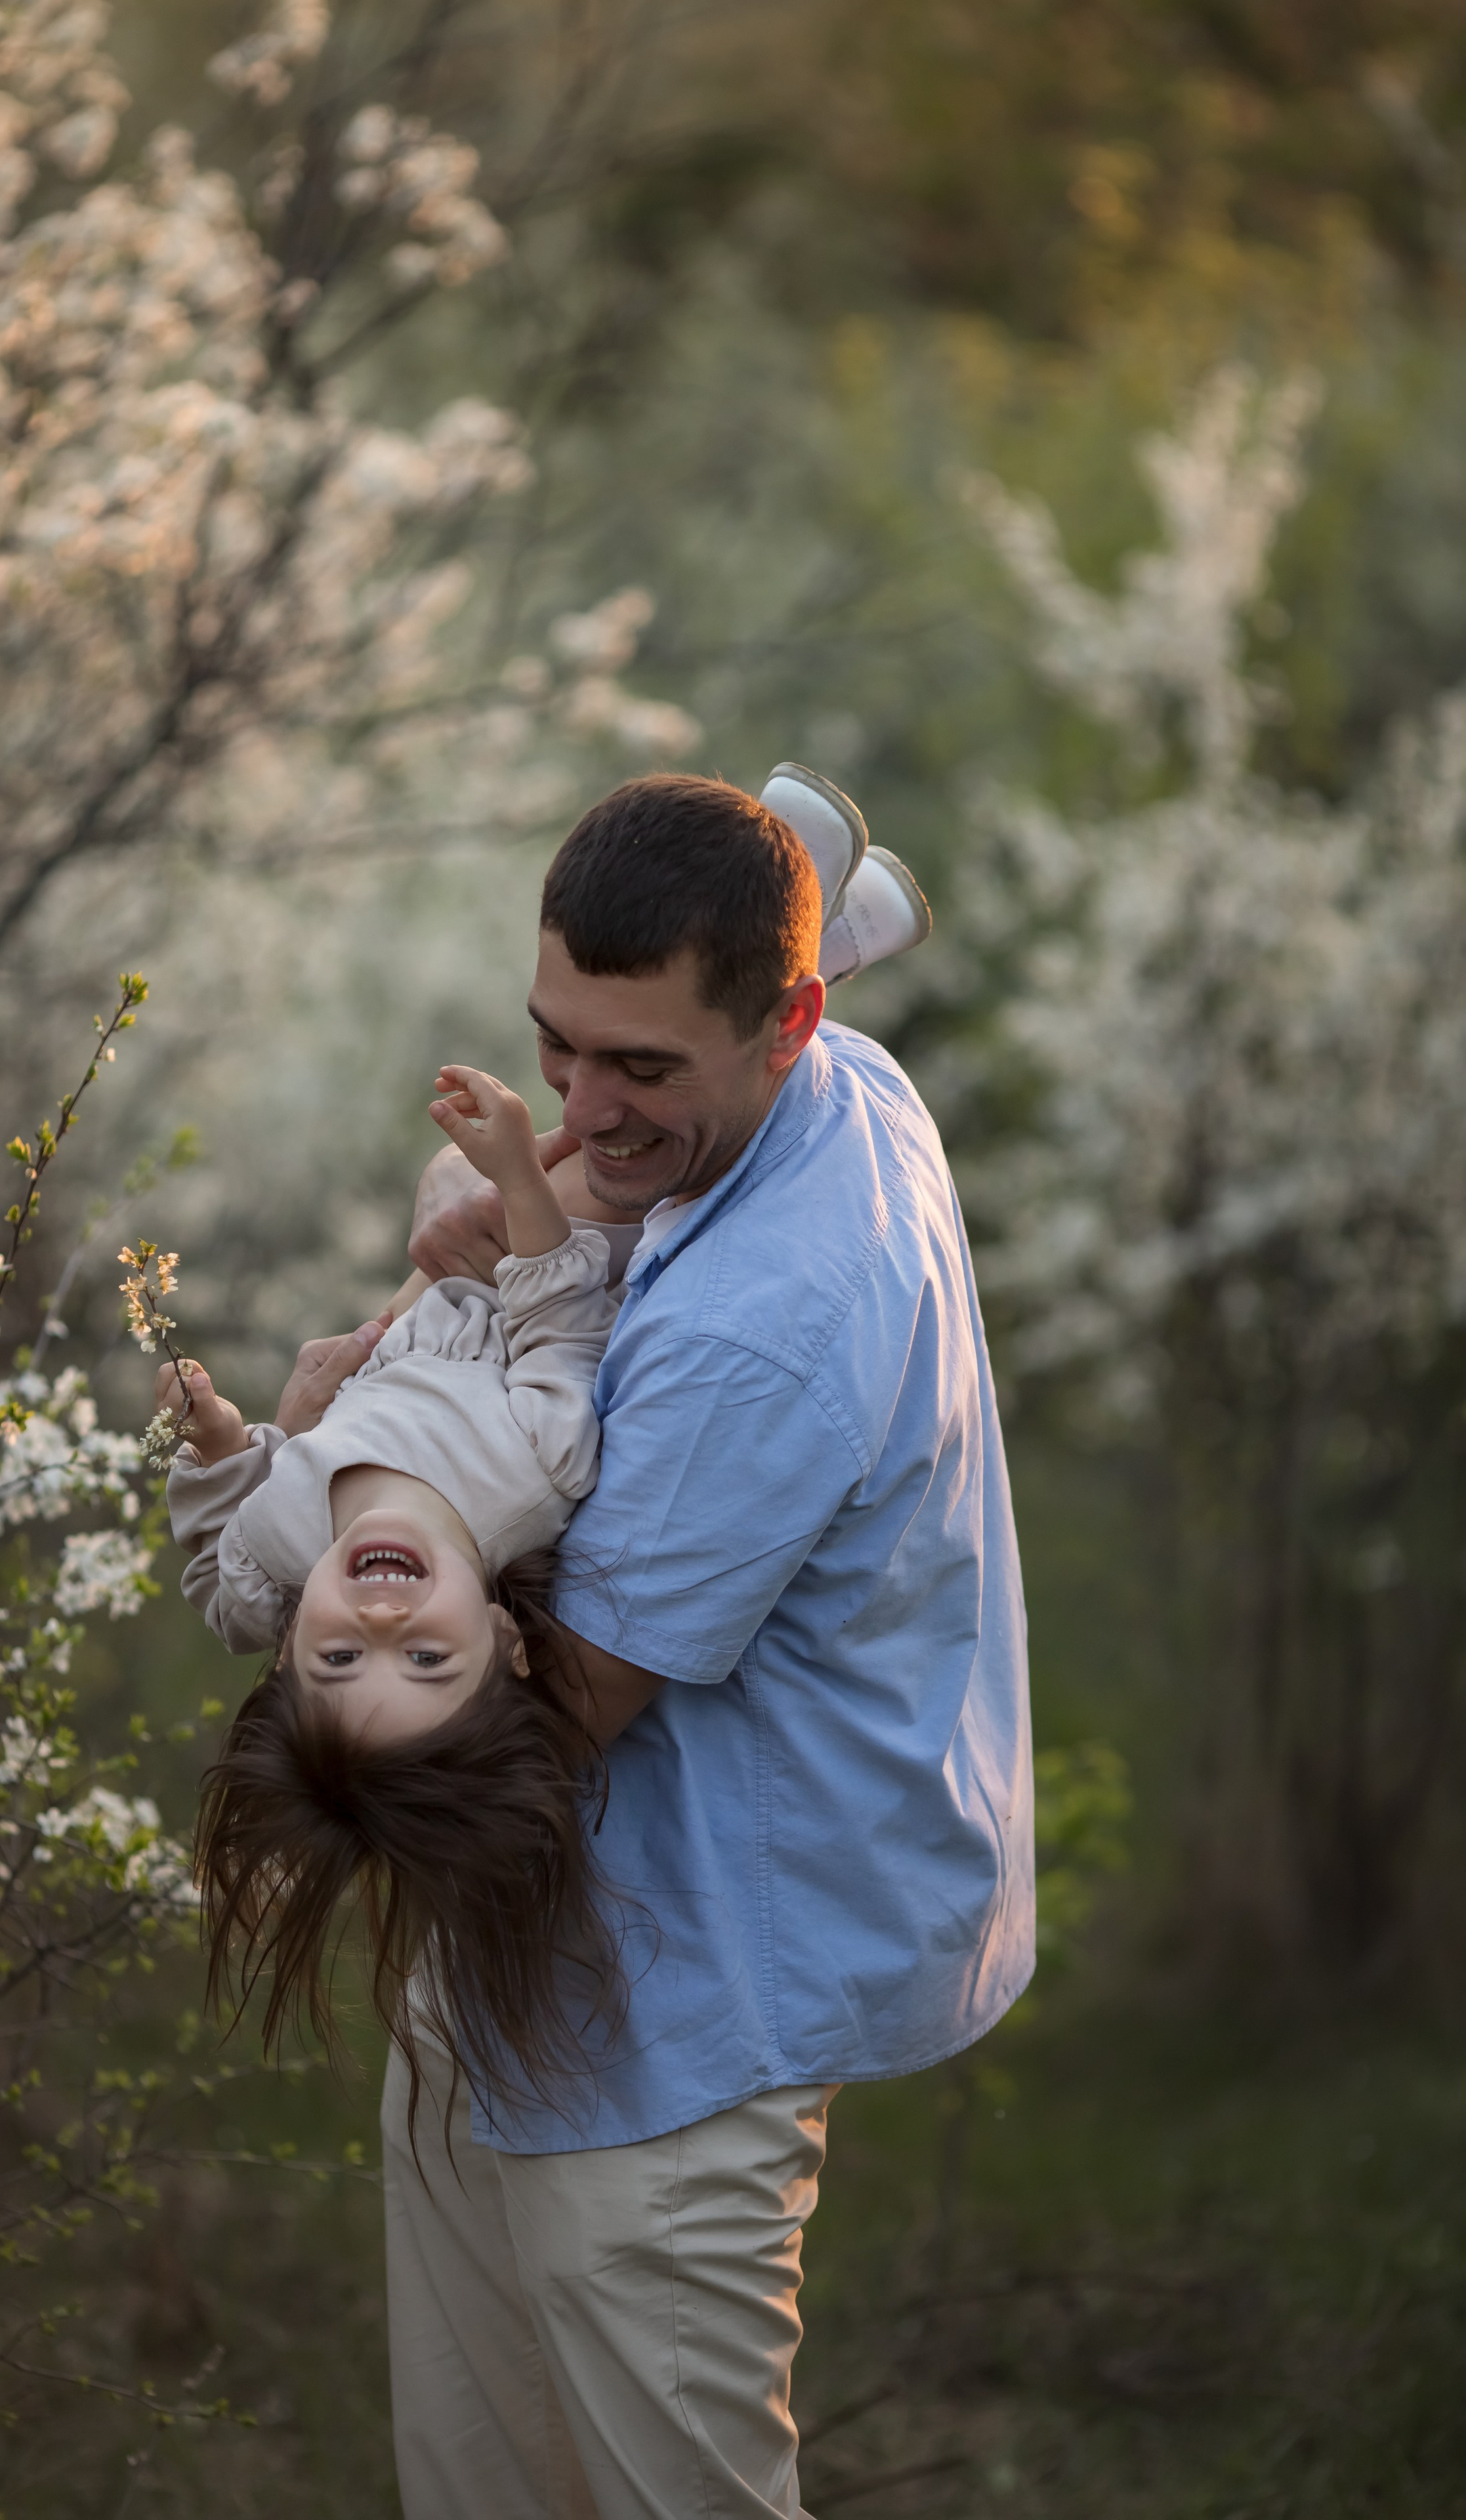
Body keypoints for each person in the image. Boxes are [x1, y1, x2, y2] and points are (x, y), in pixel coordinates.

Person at [388, 769, 1033, 2520]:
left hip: (666, 2033)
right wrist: (550, 1221)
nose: (582, 1112)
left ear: (787, 1021)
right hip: (513, 1968)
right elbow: (641, 1098)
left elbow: (554, 1704)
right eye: (558, 1048)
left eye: (642, 1072)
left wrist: (349, 1485)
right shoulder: (830, 1077)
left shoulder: (766, 1325)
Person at [163, 1061, 633, 2118]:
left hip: (424, 1296)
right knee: (484, 1187)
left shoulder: (272, 1562)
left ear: (287, 1649)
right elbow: (565, 1330)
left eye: (340, 1658)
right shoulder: (533, 1473)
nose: (381, 1622)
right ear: (509, 1641)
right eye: (428, 1660)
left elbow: (214, 1572)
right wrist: (516, 1179)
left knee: (437, 1187)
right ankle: (761, 1000)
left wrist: (224, 1447)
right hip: (535, 1279)